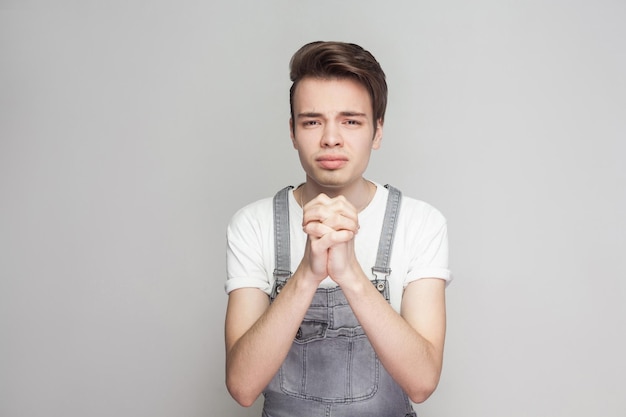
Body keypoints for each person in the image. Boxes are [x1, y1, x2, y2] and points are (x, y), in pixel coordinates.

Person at [224, 41, 451, 417]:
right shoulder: (253, 224)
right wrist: (308, 274)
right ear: (293, 132)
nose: (331, 138)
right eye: (312, 121)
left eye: (351, 121)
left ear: (377, 132)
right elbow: (243, 387)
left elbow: (423, 382)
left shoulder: (420, 223)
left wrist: (350, 275)